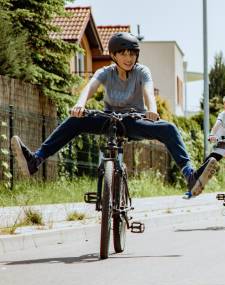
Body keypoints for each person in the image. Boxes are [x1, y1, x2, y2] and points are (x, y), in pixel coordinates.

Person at [11, 32, 209, 197]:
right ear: (114, 56)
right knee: (74, 121)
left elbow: (148, 91)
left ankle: (190, 176)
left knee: (169, 128)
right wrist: (79, 105)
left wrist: (153, 110)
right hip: (107, 120)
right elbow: (90, 86)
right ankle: (35, 161)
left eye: (132, 53)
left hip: (134, 121)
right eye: (123, 54)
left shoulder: (142, 72)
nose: (128, 58)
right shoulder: (106, 72)